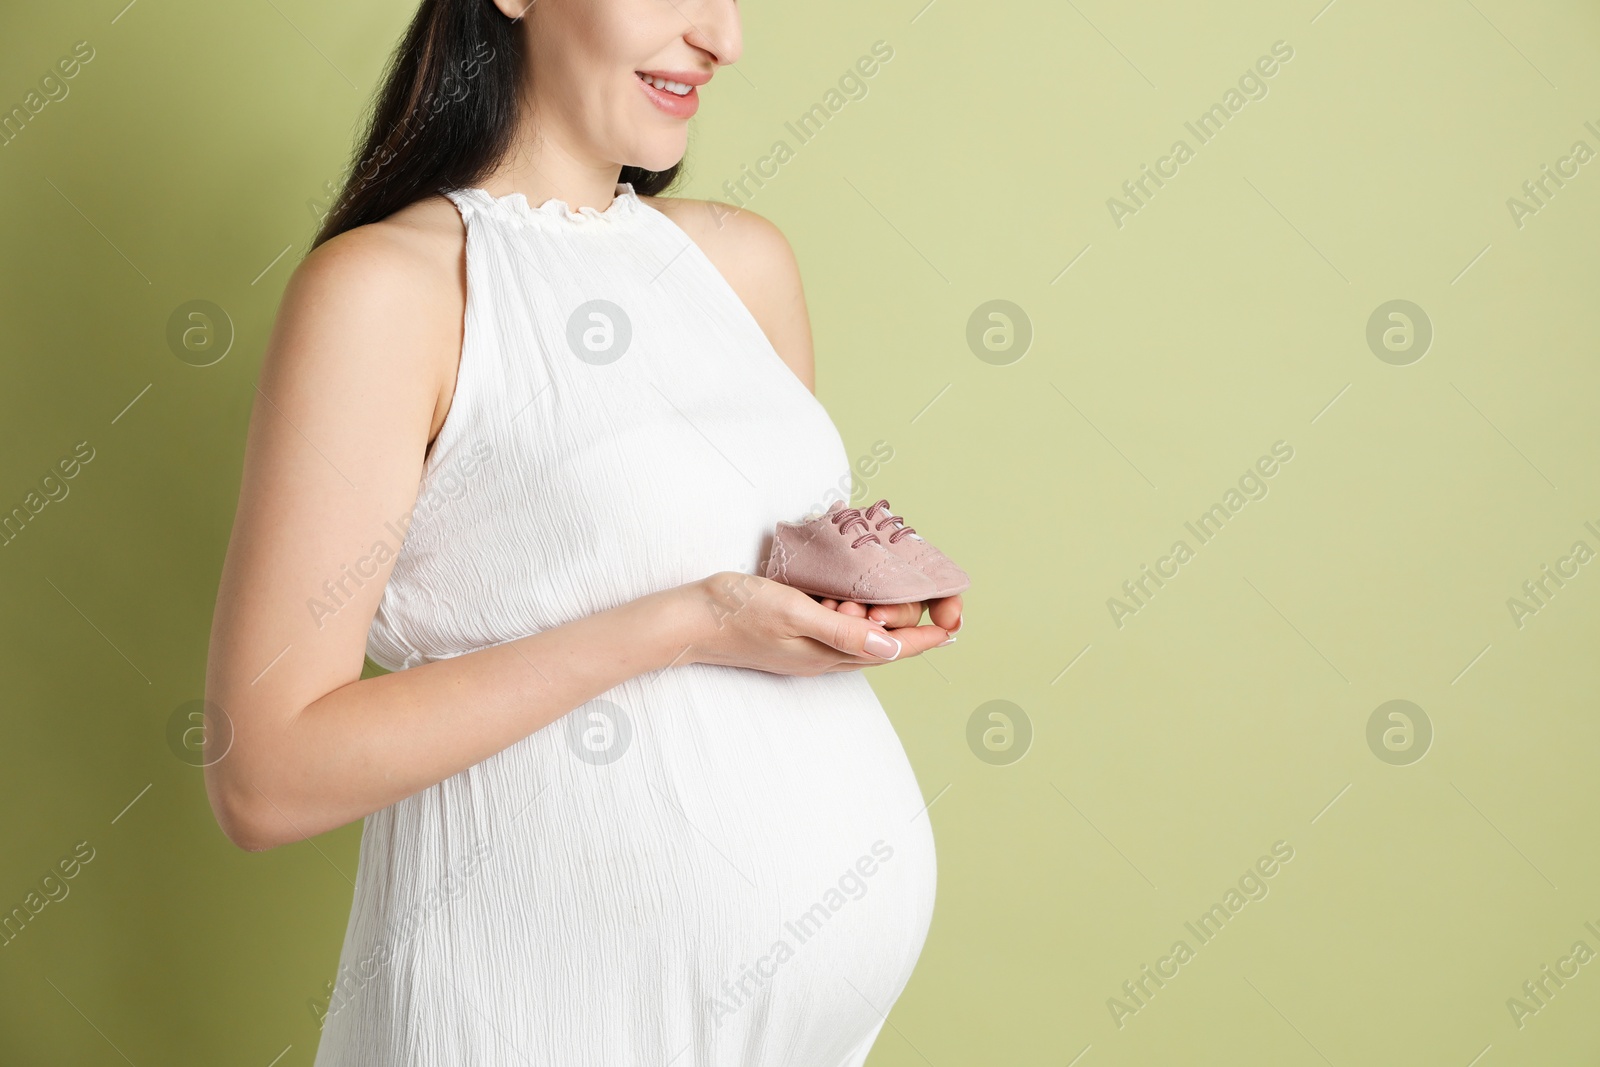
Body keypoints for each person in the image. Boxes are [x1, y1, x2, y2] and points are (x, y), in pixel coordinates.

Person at [204, 0, 962, 1062]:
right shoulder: (392, 292)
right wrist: (687, 620)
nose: (723, 37)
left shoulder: (742, 266)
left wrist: (855, 599)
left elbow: (753, 595)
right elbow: (264, 774)